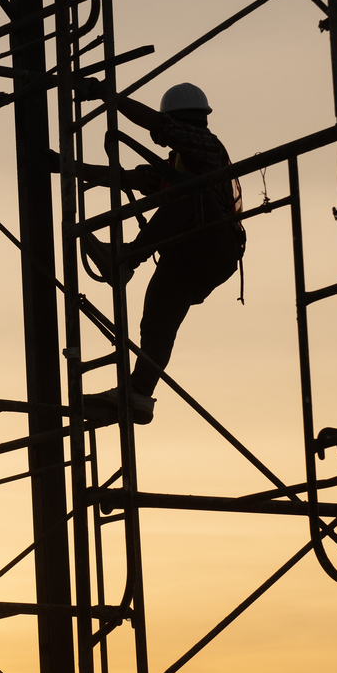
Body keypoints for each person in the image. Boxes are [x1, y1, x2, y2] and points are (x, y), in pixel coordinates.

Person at [66, 81, 244, 423]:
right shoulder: (175, 166)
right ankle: (137, 393)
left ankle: (127, 259)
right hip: (190, 256)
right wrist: (63, 165)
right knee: (158, 321)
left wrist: (109, 97)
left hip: (214, 244)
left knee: (188, 192)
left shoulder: (205, 147)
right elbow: (127, 178)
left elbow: (159, 127)